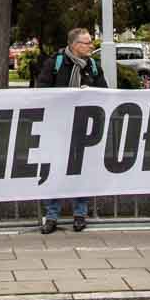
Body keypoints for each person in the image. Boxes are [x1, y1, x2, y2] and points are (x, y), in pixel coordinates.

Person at [33, 28, 107, 233]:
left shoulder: (92, 66)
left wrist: (90, 92)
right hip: (57, 127)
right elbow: (42, 90)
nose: (91, 46)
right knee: (54, 170)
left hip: (83, 127)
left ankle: (80, 213)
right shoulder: (55, 63)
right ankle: (51, 215)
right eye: (87, 43)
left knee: (80, 170)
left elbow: (104, 91)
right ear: (74, 45)